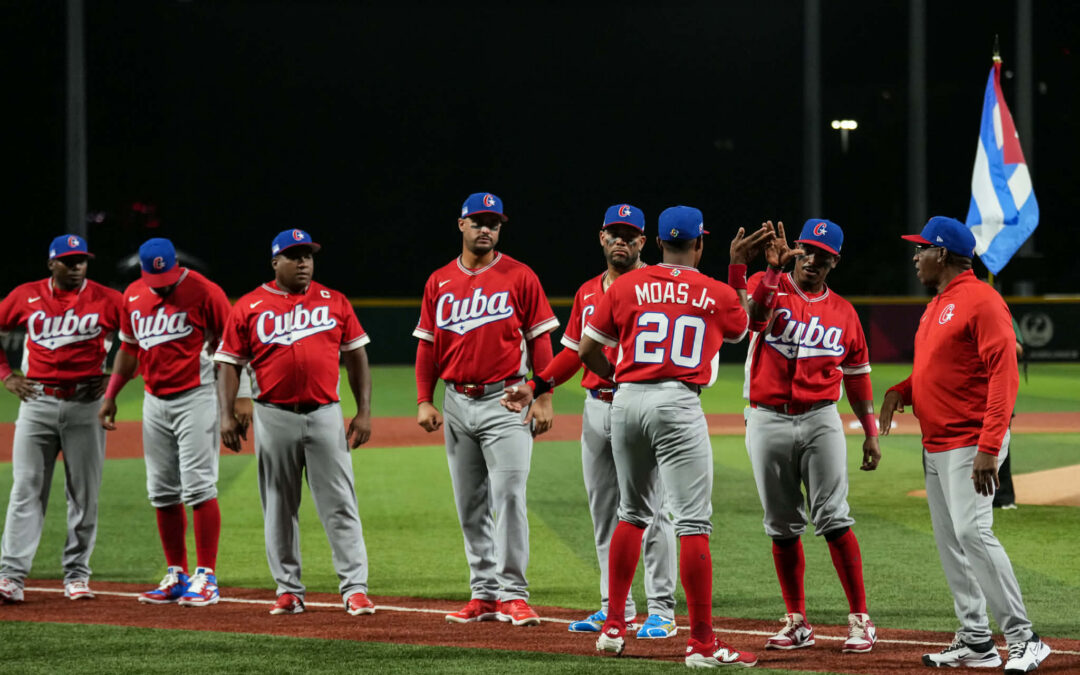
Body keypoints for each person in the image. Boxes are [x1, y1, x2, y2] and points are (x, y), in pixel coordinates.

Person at [508, 206, 759, 666]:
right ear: (699, 244)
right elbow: (744, 327)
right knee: (691, 523)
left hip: (625, 400)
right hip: (677, 400)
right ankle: (701, 644)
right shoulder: (715, 290)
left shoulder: (624, 286)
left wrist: (618, 379)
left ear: (656, 242)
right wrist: (738, 270)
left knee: (630, 513)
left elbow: (586, 350)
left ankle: (612, 626)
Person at [880, 216, 1051, 673]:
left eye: (921, 249)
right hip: (936, 444)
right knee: (952, 542)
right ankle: (976, 640)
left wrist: (989, 447)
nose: (915, 257)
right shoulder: (937, 304)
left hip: (969, 441)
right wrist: (902, 391)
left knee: (974, 534)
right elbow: (940, 371)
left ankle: (1025, 638)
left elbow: (1004, 374)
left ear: (943, 254)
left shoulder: (982, 300)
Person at [733, 219, 879, 653]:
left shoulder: (845, 312)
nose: (813, 259)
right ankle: (797, 621)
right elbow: (753, 320)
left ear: (835, 261)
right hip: (767, 417)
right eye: (808, 249)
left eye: (824, 255)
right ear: (796, 249)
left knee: (834, 519)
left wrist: (870, 432)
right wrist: (772, 270)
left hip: (820, 419)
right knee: (781, 525)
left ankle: (861, 618)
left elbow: (857, 376)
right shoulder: (768, 284)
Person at [214, 228, 376, 617]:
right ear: (275, 262)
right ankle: (288, 589)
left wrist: (364, 411)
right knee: (279, 506)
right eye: (293, 256)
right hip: (273, 415)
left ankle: (355, 588)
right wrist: (226, 414)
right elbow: (229, 364)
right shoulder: (249, 305)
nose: (303, 262)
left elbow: (356, 356)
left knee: (340, 504)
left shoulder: (334, 301)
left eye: (307, 255)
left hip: (325, 414)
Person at [414, 192, 558, 627]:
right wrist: (424, 399)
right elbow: (427, 345)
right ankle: (483, 593)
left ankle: (513, 594)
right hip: (456, 401)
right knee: (470, 502)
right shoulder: (439, 281)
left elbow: (540, 339)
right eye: (478, 222)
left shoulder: (520, 275)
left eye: (493, 224)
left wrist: (544, 395)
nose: (486, 230)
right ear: (461, 225)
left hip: (507, 399)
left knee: (509, 496)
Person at [536, 204, 678, 639]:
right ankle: (615, 606)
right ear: (601, 237)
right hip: (596, 406)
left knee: (653, 512)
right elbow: (573, 352)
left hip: (641, 405)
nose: (621, 240)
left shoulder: (660, 285)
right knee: (603, 512)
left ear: (643, 241)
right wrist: (539, 384)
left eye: (630, 235)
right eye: (614, 233)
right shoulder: (587, 292)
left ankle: (661, 609)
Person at [98, 238, 231, 606]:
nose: (163, 286)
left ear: (177, 265)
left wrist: (237, 402)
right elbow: (129, 348)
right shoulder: (133, 295)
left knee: (199, 487)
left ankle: (206, 576)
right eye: (156, 279)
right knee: (161, 491)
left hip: (197, 395)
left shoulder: (206, 291)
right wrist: (111, 395)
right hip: (154, 400)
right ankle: (177, 573)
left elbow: (233, 346)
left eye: (168, 278)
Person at [0, 235, 122, 604]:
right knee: (26, 489)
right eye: (68, 261)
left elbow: (139, 339)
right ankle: (11, 576)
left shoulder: (108, 299)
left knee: (83, 493)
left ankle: (77, 575)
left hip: (86, 405)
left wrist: (114, 375)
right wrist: (6, 375)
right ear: (51, 264)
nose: (76, 267)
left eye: (81, 260)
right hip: (37, 401)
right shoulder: (25, 295)